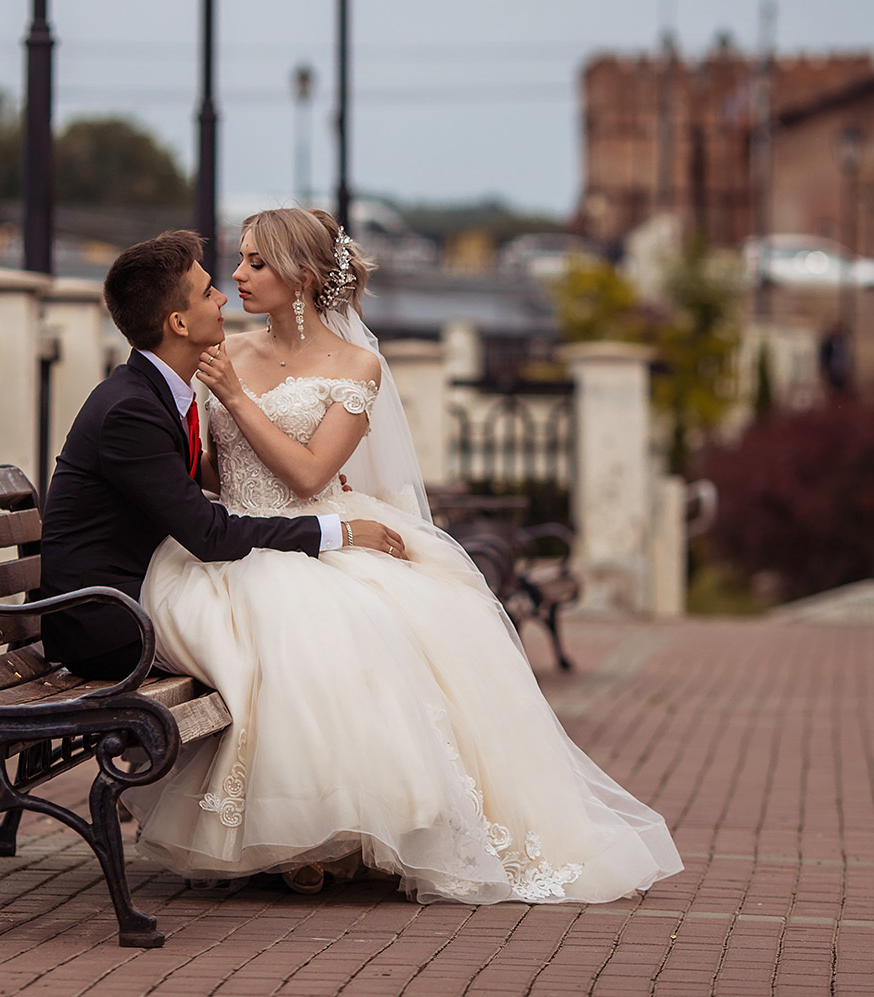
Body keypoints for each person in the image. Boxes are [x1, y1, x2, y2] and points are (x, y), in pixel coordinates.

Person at [125, 207, 681, 905]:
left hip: (314, 529)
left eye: (256, 262)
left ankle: (362, 832)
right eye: (239, 261)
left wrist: (235, 399)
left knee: (360, 631)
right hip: (235, 540)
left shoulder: (358, 366)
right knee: (281, 644)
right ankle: (292, 833)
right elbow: (211, 473)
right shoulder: (226, 350)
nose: (237, 275)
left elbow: (306, 474)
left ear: (302, 276)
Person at [36, 231, 405, 683]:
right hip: (110, 626)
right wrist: (338, 530)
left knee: (334, 621)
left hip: (138, 594)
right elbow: (210, 535)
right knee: (305, 639)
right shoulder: (130, 411)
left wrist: (302, 475)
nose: (224, 297)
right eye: (209, 292)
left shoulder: (152, 393)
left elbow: (189, 477)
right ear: (179, 324)